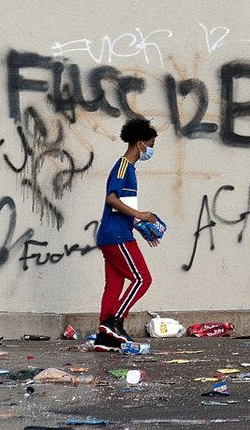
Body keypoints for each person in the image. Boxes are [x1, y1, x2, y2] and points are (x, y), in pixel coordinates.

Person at [94, 117, 161, 350]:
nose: (150, 150)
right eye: (149, 145)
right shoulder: (123, 166)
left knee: (114, 285)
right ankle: (115, 322)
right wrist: (141, 215)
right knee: (142, 279)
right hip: (117, 236)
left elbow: (122, 208)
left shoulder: (129, 169)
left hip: (113, 234)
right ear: (139, 143)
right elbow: (111, 198)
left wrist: (142, 227)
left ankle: (104, 338)